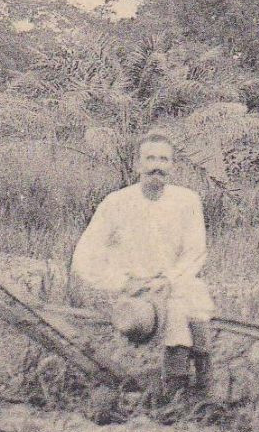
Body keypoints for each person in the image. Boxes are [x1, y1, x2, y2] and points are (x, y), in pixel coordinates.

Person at [71, 131, 216, 399]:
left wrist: (169, 280)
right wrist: (123, 282)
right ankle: (177, 393)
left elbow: (195, 252)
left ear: (172, 165)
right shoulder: (116, 203)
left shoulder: (187, 201)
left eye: (164, 159)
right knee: (177, 311)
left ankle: (198, 389)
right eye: (150, 158)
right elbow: (86, 256)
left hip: (174, 284)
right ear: (138, 164)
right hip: (135, 292)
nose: (156, 166)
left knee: (188, 302)